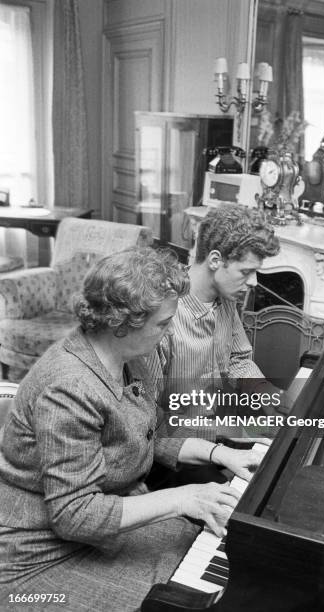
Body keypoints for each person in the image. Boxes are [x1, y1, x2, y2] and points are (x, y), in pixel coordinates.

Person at [0, 247, 265, 612]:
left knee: (203, 554)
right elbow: (75, 516)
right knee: (183, 593)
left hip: (108, 517)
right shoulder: (68, 388)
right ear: (122, 323)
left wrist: (220, 453)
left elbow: (147, 430)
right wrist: (182, 498)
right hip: (39, 556)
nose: (170, 330)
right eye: (162, 322)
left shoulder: (130, 358)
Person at [144, 205, 283, 486]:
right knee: (243, 497)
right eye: (246, 271)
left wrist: (267, 395)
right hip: (170, 454)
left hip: (214, 427)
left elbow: (237, 359)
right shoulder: (162, 317)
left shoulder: (226, 298)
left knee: (277, 464)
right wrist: (227, 436)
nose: (254, 282)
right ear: (216, 260)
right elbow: (148, 426)